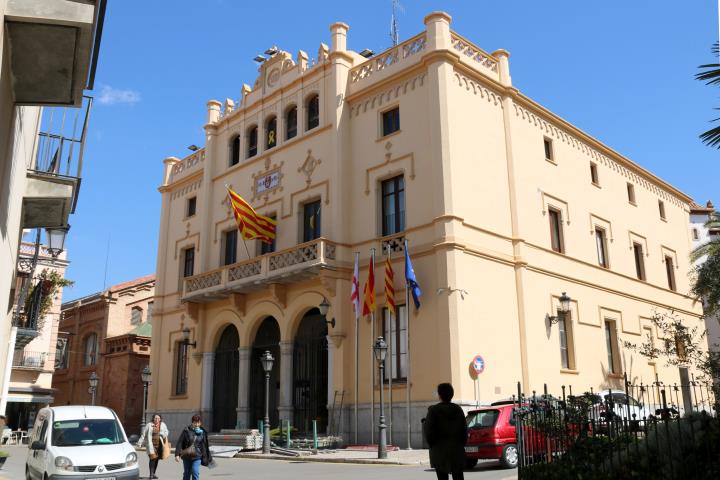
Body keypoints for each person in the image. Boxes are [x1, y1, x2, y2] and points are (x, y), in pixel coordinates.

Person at [424, 383, 468, 480]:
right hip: (457, 450)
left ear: (440, 395)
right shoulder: (458, 409)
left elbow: (429, 433)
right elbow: (464, 430)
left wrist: (432, 445)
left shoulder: (433, 410)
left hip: (439, 451)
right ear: (451, 394)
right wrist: (461, 445)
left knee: (442, 477)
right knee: (458, 477)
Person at [175, 414, 212, 480]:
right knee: (187, 473)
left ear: (200, 423)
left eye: (198, 422)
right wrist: (177, 454)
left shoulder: (203, 432)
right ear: (192, 422)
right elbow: (180, 442)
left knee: (195, 472)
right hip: (186, 455)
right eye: (195, 422)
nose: (197, 424)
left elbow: (205, 445)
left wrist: (207, 456)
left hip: (197, 456)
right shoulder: (186, 430)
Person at [137, 414, 169, 479]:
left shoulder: (163, 425)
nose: (157, 420)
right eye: (155, 418)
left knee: (156, 459)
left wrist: (163, 434)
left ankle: (153, 473)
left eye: (158, 418)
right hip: (151, 445)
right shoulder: (149, 425)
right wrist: (140, 443)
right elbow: (143, 434)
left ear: (160, 419)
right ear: (153, 419)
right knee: (152, 458)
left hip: (160, 445)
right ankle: (151, 475)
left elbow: (167, 432)